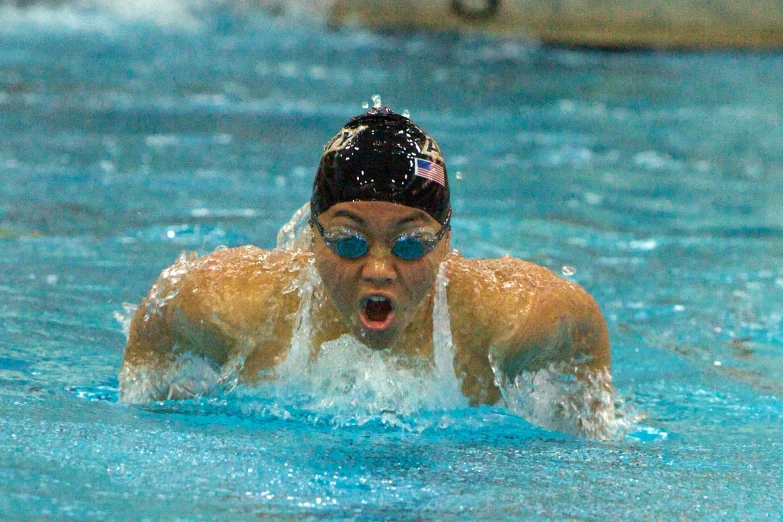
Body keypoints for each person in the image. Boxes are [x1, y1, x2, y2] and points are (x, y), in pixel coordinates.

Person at [119, 106, 611, 416]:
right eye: (349, 242)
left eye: (410, 245)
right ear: (311, 239)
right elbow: (161, 312)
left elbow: (581, 323)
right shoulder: (236, 305)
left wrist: (582, 416)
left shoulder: (502, 318)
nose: (378, 269)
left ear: (446, 244)